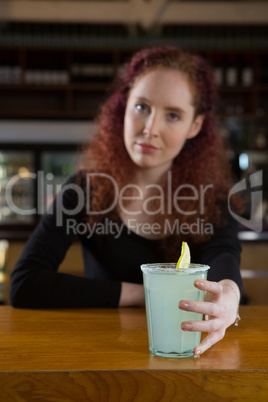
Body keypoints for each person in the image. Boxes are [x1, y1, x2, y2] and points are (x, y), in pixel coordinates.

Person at [10, 46, 243, 356]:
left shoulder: (212, 200)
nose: (150, 128)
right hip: (103, 351)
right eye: (142, 107)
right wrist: (145, 294)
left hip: (188, 352)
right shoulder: (83, 190)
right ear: (124, 107)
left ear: (195, 125)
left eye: (172, 115)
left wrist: (229, 293)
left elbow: (224, 256)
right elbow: (25, 284)